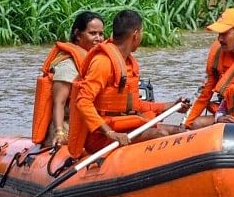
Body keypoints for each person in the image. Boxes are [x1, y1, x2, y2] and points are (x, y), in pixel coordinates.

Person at [68, 9, 190, 157]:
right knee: (161, 134)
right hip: (101, 136)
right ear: (136, 35)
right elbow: (83, 102)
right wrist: (110, 133)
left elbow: (135, 106)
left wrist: (171, 106)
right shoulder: (102, 62)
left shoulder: (128, 64)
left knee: (180, 132)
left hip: (124, 127)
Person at [31, 11, 105, 147]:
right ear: (77, 34)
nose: (98, 38)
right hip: (66, 123)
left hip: (88, 121)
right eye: (93, 33)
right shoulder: (68, 64)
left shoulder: (97, 61)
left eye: (101, 34)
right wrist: (59, 132)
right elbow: (59, 102)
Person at [183, 8, 234, 129]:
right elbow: (203, 94)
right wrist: (184, 125)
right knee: (194, 123)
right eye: (219, 34)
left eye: (224, 33)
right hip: (228, 113)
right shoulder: (218, 55)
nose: (220, 39)